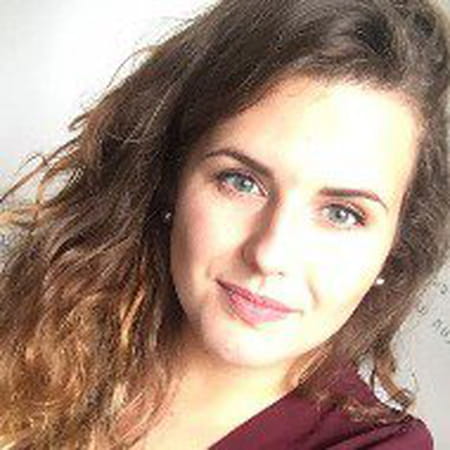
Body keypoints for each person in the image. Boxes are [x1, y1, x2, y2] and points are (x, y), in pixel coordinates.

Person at [0, 0, 448, 448]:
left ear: (395, 246)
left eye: (342, 214)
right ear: (171, 175)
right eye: (241, 182)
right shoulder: (32, 327)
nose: (270, 255)